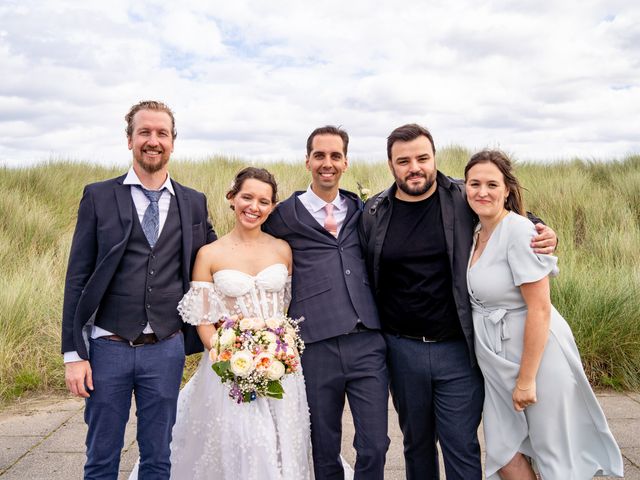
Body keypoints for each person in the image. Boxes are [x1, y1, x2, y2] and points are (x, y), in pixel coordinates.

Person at [359, 124, 557, 480]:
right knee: (416, 445)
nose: (414, 167)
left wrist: (544, 230)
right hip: (401, 350)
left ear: (434, 158)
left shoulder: (463, 197)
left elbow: (509, 217)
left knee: (461, 444)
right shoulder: (374, 212)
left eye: (422, 158)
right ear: (391, 165)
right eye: (403, 161)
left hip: (458, 349)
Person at [61, 100, 216, 479]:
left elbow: (216, 259)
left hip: (164, 349)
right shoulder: (98, 196)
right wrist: (72, 353)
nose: (153, 140)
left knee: (158, 458)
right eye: (144, 132)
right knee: (101, 458)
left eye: (161, 133)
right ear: (129, 139)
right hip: (106, 348)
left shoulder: (193, 202)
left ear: (173, 142)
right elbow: (77, 276)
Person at [129, 167, 314, 479]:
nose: (254, 207)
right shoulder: (209, 254)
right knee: (246, 442)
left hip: (281, 365)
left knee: (285, 441)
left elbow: (287, 305)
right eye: (247, 197)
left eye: (263, 201)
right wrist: (229, 357)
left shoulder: (283, 250)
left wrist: (280, 350)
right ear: (232, 198)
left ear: (272, 207)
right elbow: (202, 320)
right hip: (229, 366)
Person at [464, 150, 623, 480]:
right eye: (474, 183)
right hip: (496, 360)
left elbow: (539, 308)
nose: (482, 191)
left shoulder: (521, 232)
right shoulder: (477, 231)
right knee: (503, 451)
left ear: (507, 189)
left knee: (553, 455)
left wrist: (526, 379)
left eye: (492, 184)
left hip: (535, 355)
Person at [264, 126, 389, 480]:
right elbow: (250, 243)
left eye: (335, 156)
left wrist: (533, 223)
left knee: (375, 445)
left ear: (345, 162)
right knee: (323, 444)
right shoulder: (284, 215)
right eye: (320, 155)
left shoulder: (364, 210)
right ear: (308, 161)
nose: (327, 163)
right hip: (315, 343)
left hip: (367, 340)